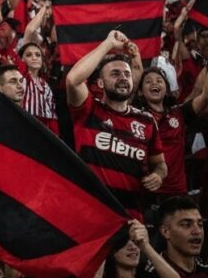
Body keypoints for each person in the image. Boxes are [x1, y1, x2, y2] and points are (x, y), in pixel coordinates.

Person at [66, 31, 167, 220]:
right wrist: (107, 44)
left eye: (126, 74)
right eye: (115, 73)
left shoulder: (146, 121)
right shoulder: (88, 109)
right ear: (101, 83)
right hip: (91, 214)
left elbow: (160, 163)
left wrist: (159, 175)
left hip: (132, 218)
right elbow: (73, 80)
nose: (122, 77)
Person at [136, 51, 208, 200]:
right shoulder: (136, 117)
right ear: (140, 92)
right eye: (148, 81)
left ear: (166, 90)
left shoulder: (179, 113)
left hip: (177, 191)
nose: (154, 83)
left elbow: (207, 97)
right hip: (146, 192)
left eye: (159, 80)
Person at [143, 197, 208, 278]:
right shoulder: (152, 275)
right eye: (186, 225)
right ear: (166, 232)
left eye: (200, 224)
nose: (197, 231)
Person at [95, 220, 185, 278]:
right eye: (124, 242)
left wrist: (145, 246)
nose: (133, 247)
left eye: (135, 241)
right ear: (113, 250)